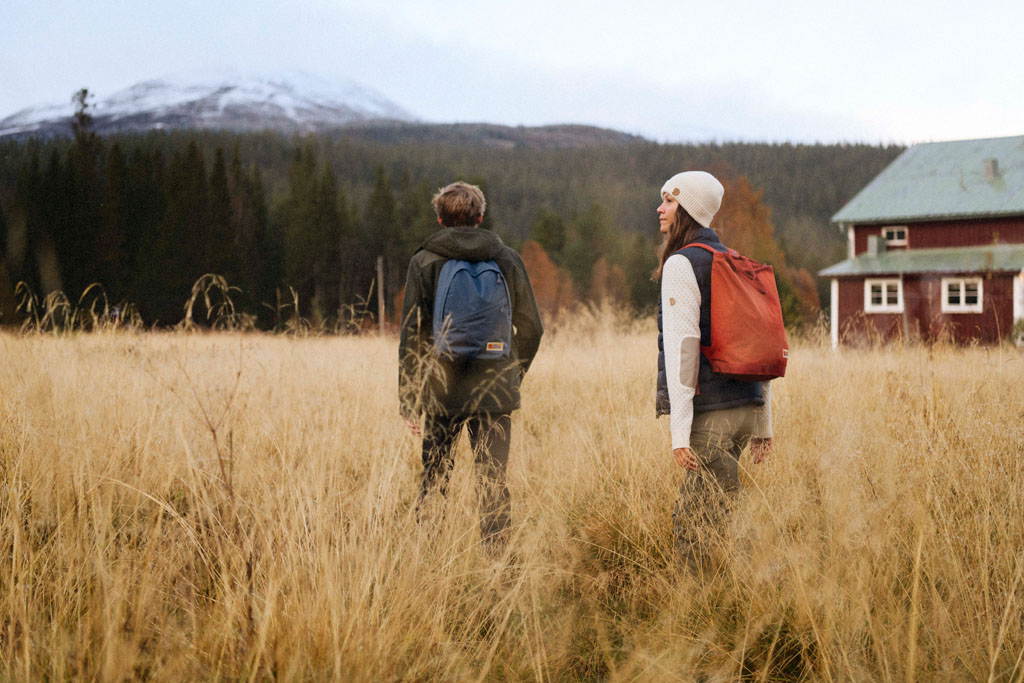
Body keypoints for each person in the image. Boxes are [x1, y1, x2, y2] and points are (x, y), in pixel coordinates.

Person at [398, 181, 543, 549]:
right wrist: (512, 375)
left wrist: (410, 400)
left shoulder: (425, 261)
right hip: (494, 391)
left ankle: (428, 562)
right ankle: (498, 566)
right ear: (480, 217)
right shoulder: (507, 258)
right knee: (492, 482)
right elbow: (532, 328)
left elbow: (412, 334)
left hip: (441, 389)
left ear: (440, 219)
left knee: (434, 480)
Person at [653, 171, 774, 573]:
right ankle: (745, 587)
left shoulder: (681, 264)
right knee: (719, 509)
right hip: (744, 410)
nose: (660, 208)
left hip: (712, 416)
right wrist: (762, 421)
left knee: (693, 524)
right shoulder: (735, 260)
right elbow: (761, 346)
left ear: (688, 209)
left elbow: (683, 350)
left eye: (669, 200)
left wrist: (679, 431)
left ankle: (708, 600)